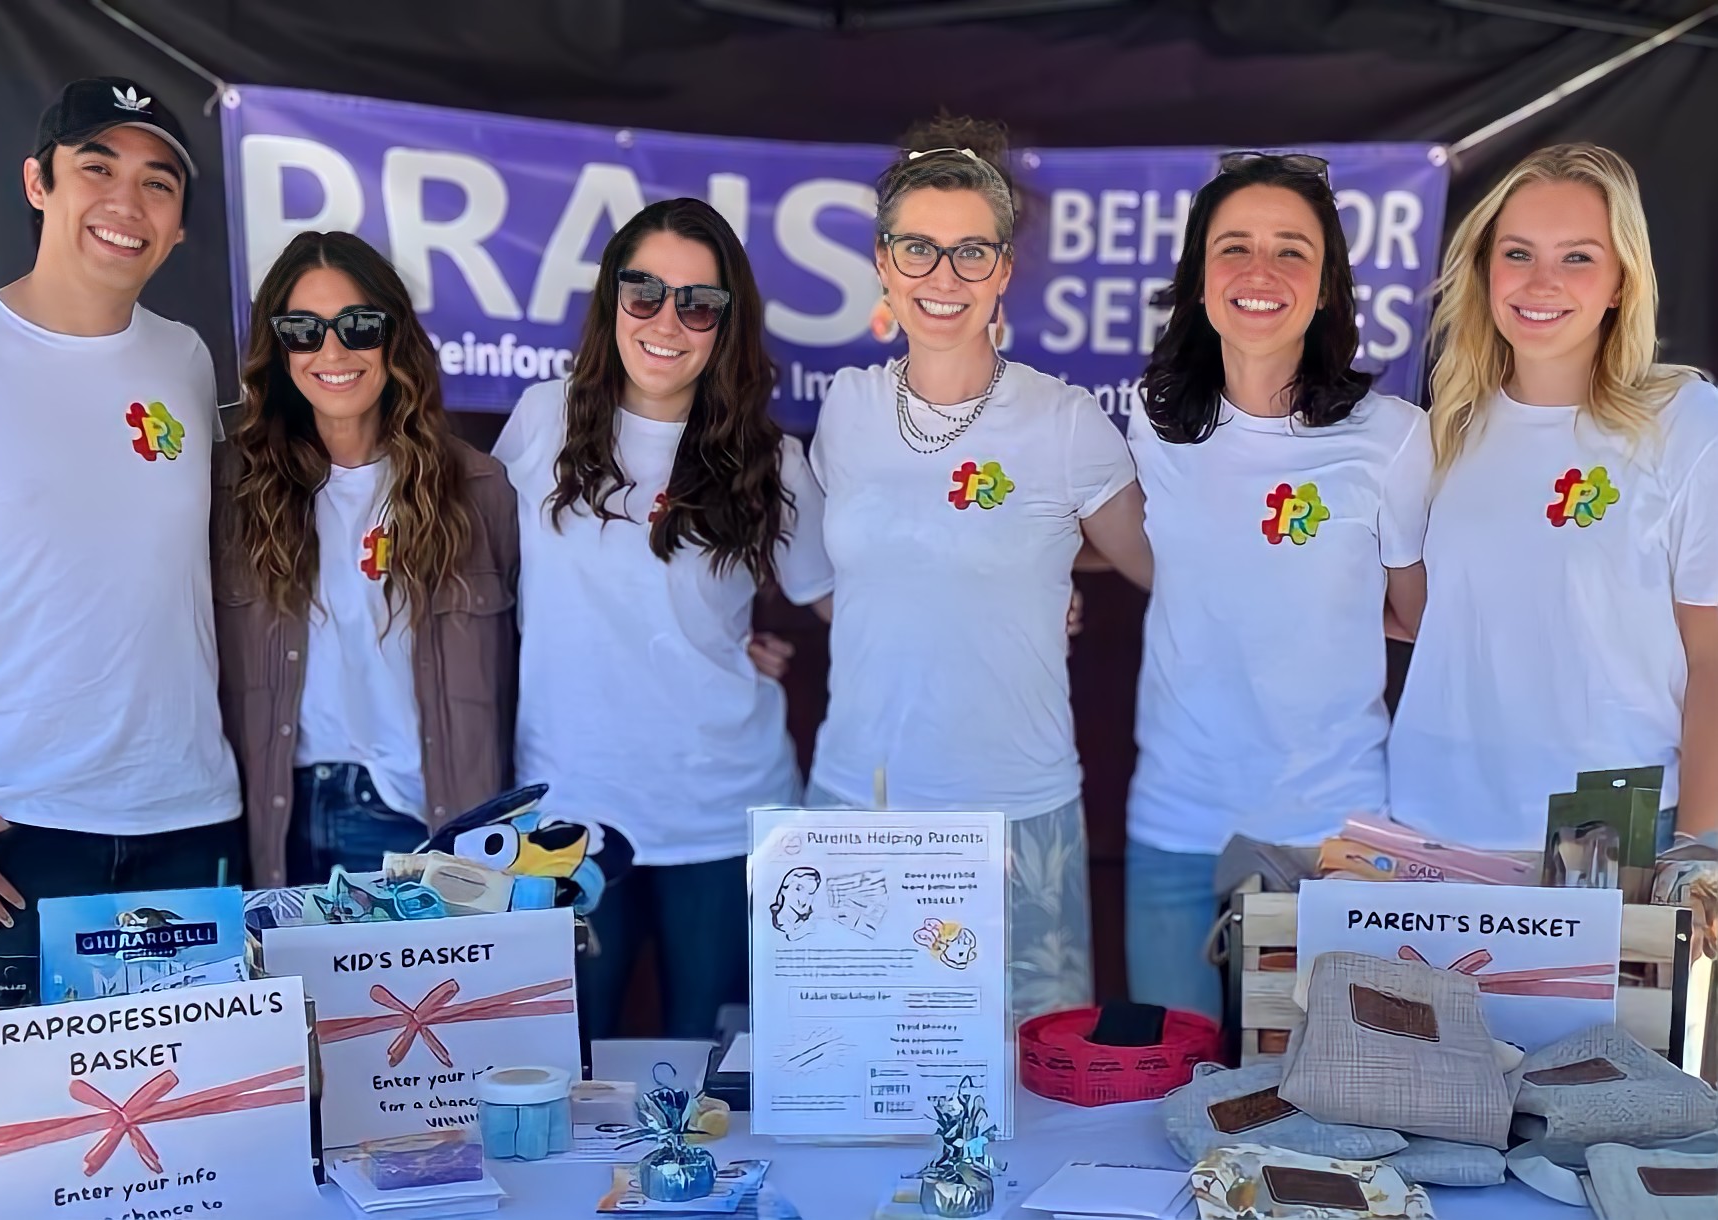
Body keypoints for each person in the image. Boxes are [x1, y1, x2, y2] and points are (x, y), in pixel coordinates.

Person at [0, 78, 241, 1009]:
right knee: (38, 1142)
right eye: (97, 166)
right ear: (37, 182)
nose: (126, 202)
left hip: (190, 810)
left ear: (177, 228)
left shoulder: (184, 357)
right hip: (16, 824)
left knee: (199, 1135)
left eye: (158, 183)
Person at [806, 116, 1151, 1022]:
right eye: (918, 249)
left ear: (1003, 269)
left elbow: (1161, 565)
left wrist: (1041, 565)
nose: (942, 278)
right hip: (859, 804)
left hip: (1014, 811)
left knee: (1020, 1094)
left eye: (971, 253)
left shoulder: (1065, 421)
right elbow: (866, 574)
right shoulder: (846, 409)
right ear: (883, 261)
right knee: (853, 1079)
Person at [492, 198, 834, 1040]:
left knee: (720, 1094)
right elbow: (479, 589)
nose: (666, 321)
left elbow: (848, 605)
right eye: (643, 292)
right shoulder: (543, 419)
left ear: (727, 322)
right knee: (571, 1080)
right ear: (611, 299)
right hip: (568, 815)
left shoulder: (773, 459)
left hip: (723, 813)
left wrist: (1024, 590)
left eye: (698, 303)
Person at [1124, 152, 1432, 1019]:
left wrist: (1314, 603)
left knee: (1329, 1113)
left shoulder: (1393, 439)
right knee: (1170, 1101)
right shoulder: (1148, 420)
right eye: (1234, 248)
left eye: (1292, 250)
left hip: (1332, 832)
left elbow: (1418, 615)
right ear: (1197, 278)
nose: (1261, 273)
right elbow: (1106, 542)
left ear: (1330, 283)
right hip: (1176, 825)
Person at [1390, 144, 1717, 848]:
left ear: (1622, 281)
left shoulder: (1687, 424)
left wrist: (1698, 855)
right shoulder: (1439, 433)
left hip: (1620, 840)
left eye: (1576, 258)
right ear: (1484, 269)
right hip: (1434, 835)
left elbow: (1712, 660)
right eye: (1517, 254)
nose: (1541, 283)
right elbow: (1419, 617)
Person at [213, 231, 518, 888]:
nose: (332, 349)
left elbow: (550, 651)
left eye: (359, 325)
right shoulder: (229, 489)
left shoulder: (480, 489)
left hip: (425, 830)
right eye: (302, 329)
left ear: (394, 336)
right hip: (276, 831)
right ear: (278, 347)